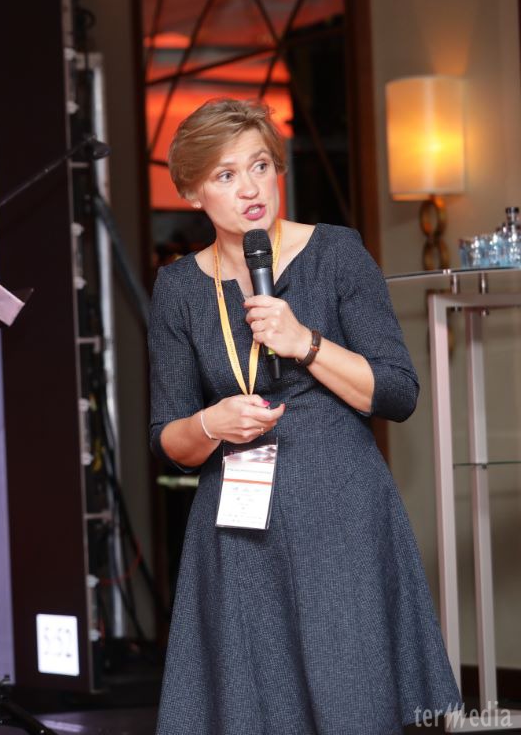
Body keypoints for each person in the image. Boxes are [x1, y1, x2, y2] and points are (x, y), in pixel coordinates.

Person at [149, 98, 461, 734]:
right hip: (238, 531)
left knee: (352, 701)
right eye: (226, 174)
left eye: (261, 166)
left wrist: (305, 343)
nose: (251, 188)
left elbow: (398, 392)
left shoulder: (337, 253)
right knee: (253, 711)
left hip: (340, 512)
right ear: (192, 192)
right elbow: (169, 439)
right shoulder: (179, 289)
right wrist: (211, 424)